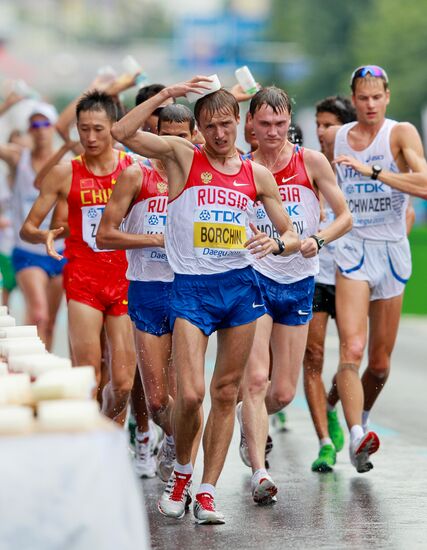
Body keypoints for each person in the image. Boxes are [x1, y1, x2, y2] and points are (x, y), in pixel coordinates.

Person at [111, 76, 300, 524]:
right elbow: (122, 134)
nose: (219, 134)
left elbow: (289, 232)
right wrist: (165, 96)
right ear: (199, 128)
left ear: (240, 124)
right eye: (210, 126)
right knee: (191, 395)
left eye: (226, 125)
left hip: (239, 289)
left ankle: (209, 491)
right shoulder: (182, 157)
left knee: (225, 392)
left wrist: (279, 244)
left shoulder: (257, 174)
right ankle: (181, 473)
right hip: (191, 288)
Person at [237, 86, 351, 503]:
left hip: (299, 279)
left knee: (282, 392)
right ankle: (259, 470)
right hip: (254, 277)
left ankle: (248, 420)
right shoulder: (243, 167)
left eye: (281, 124)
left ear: (291, 121)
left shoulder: (311, 162)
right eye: (264, 124)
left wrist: (317, 239)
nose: (272, 132)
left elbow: (345, 217)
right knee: (255, 378)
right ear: (250, 123)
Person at [325, 65, 427, 473]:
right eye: (362, 98)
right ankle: (354, 435)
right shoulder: (336, 138)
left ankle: (350, 412)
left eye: (376, 97)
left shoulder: (399, 134)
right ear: (353, 99)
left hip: (391, 249)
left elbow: (424, 183)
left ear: (387, 97)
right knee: (351, 348)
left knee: (380, 364)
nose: (369, 105)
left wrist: (375, 172)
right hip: (351, 248)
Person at [20, 90, 136, 423]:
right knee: (88, 376)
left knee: (124, 383)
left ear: (115, 127)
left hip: (126, 279)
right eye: (83, 129)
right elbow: (27, 227)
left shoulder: (133, 168)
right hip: (83, 278)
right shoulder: (64, 173)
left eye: (98, 129)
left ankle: (109, 428)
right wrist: (45, 234)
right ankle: (96, 445)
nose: (90, 137)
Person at [97, 104, 198, 479]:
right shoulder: (135, 175)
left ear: (193, 138)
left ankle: (185, 467)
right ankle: (172, 440)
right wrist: (153, 238)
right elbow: (104, 235)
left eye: (181, 136)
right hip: (147, 290)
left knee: (187, 393)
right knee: (158, 400)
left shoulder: (201, 177)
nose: (171, 143)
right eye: (164, 135)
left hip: (190, 289)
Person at [303, 96, 356, 472]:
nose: (322, 132)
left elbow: (400, 210)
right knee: (314, 357)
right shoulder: (305, 164)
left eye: (330, 125)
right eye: (318, 125)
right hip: (316, 273)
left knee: (354, 356)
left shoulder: (357, 164)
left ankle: (333, 404)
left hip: (354, 271)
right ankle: (324, 442)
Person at [0, 102, 66, 349]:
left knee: (50, 323)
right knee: (39, 315)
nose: (39, 130)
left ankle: (43, 371)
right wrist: (8, 104)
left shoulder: (66, 161)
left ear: (53, 127)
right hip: (27, 250)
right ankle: (29, 368)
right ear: (29, 130)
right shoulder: (19, 158)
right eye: (34, 125)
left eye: (45, 124)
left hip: (60, 251)